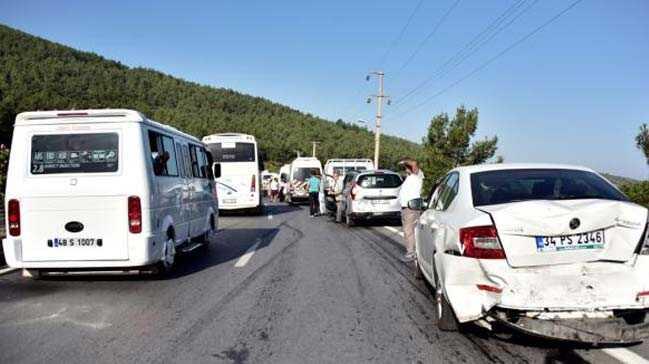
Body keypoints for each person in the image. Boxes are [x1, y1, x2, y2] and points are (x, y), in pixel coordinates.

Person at [398, 157, 424, 263]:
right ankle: (414, 252)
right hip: (407, 207)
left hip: (411, 207)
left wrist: (404, 161)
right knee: (410, 231)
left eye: (406, 168)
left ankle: (411, 253)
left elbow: (414, 163)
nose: (405, 170)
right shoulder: (410, 177)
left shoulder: (418, 175)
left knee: (409, 231)